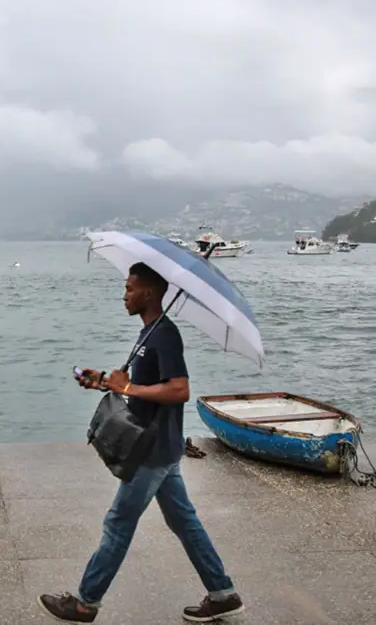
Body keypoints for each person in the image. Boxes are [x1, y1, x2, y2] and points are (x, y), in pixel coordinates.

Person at [37, 262, 243, 623]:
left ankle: (85, 603)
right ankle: (223, 594)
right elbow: (141, 390)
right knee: (185, 522)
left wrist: (127, 387)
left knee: (118, 523)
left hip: (151, 451)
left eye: (130, 288)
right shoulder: (149, 334)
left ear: (148, 293)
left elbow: (179, 389)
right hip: (162, 448)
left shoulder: (165, 335)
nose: (124, 295)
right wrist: (103, 380)